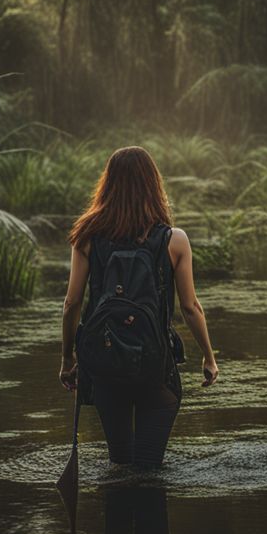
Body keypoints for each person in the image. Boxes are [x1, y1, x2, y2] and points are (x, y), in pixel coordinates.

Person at [59, 146, 218, 468]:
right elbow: (190, 307)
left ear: (108, 184)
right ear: (153, 184)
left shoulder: (87, 236)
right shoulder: (174, 240)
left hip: (104, 365)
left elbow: (72, 303)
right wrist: (209, 357)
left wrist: (67, 358)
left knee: (119, 464)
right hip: (154, 367)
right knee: (149, 469)